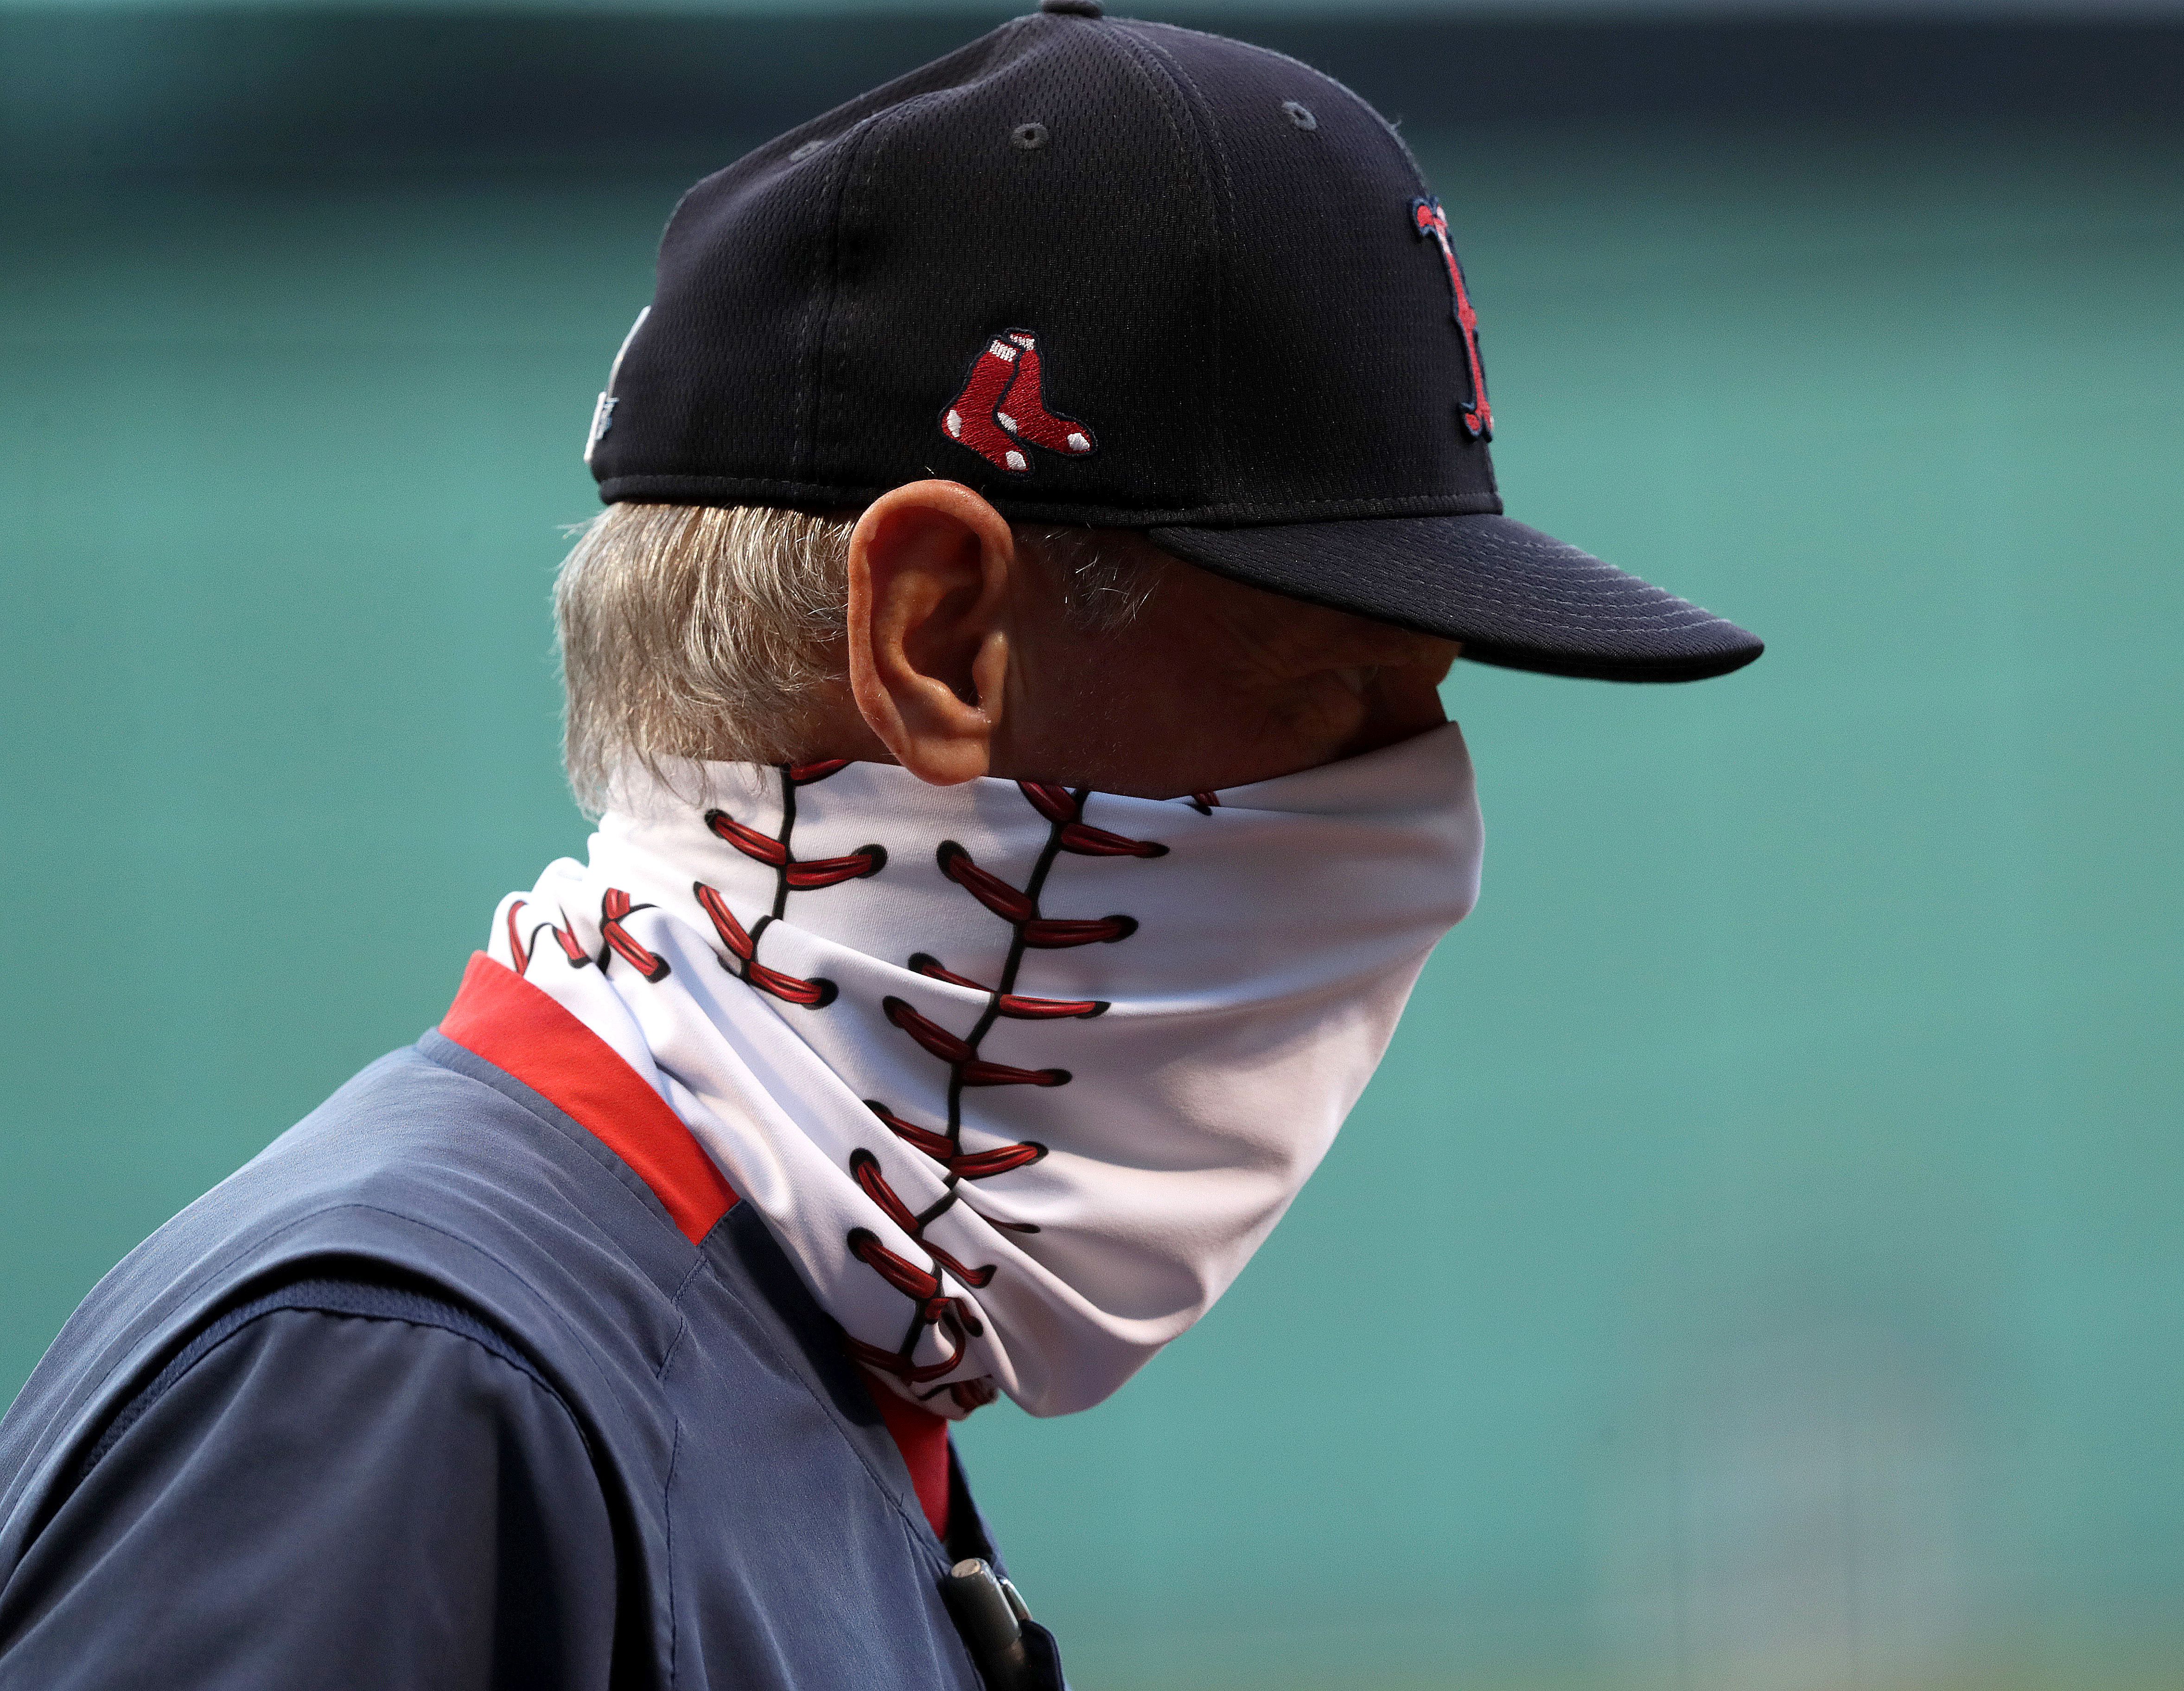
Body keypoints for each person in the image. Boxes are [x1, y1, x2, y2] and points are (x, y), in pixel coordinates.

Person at [0, 4, 1759, 1686]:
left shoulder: (789, 1337)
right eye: (1325, 688)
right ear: (932, 641)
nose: (1419, 812)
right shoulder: (410, 1383)